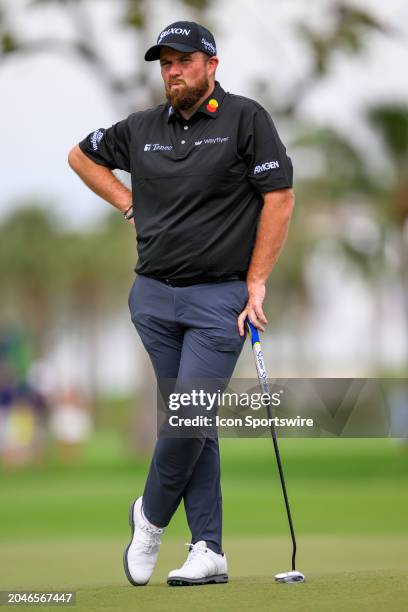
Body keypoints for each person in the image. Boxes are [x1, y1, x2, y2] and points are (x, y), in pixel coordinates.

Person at [68, 20, 294, 587]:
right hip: (153, 300)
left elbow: (280, 198)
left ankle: (148, 520)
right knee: (194, 422)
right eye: (165, 62)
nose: (173, 71)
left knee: (187, 415)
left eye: (184, 61)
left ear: (211, 65)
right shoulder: (141, 128)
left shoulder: (246, 119)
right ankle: (209, 549)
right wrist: (127, 201)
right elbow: (79, 156)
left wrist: (258, 282)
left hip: (221, 299)